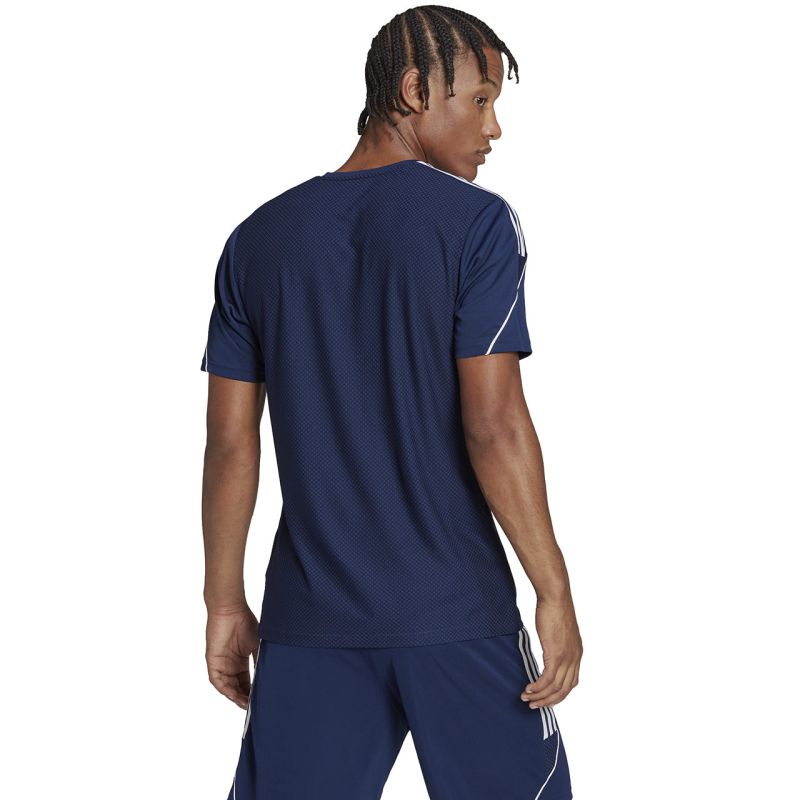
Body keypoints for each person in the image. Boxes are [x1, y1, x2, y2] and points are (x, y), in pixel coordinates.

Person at [200, 5, 582, 798]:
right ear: (414, 90)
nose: (494, 128)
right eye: (480, 100)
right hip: (456, 615)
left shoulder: (256, 240)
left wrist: (224, 601)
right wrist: (552, 589)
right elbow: (494, 424)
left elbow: (232, 443)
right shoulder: (478, 226)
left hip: (310, 622)